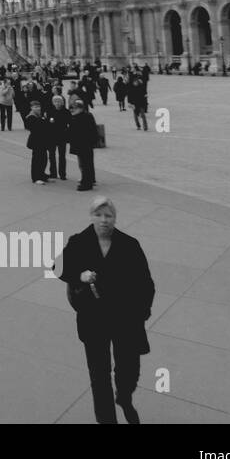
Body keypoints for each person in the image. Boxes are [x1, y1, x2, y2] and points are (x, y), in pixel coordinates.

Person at [55, 197, 155, 424]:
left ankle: (125, 395)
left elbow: (146, 284)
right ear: (91, 217)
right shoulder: (79, 242)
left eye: (108, 216)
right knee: (99, 376)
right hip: (93, 319)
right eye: (98, 215)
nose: (103, 220)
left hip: (124, 319)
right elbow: (58, 267)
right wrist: (78, 275)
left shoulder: (130, 245)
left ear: (115, 219)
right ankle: (107, 420)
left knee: (129, 370)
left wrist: (142, 312)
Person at [68, 99, 99, 191]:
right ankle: (86, 180)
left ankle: (87, 183)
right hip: (81, 144)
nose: (73, 110)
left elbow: (92, 131)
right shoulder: (76, 117)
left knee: (86, 164)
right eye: (72, 108)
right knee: (84, 164)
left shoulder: (84, 117)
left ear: (81, 109)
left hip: (84, 144)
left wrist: (92, 142)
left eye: (75, 108)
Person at [23, 101, 51, 184]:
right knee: (37, 159)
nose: (37, 108)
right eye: (35, 107)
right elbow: (38, 127)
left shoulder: (40, 115)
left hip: (42, 141)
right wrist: (45, 121)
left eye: (38, 107)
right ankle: (35, 177)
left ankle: (42, 175)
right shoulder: (31, 117)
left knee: (44, 159)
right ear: (31, 108)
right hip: (36, 141)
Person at [49, 95, 71, 181]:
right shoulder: (50, 111)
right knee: (51, 155)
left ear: (62, 103)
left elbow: (70, 123)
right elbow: (48, 122)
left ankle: (62, 174)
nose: (57, 103)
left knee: (62, 156)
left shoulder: (66, 111)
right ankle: (53, 173)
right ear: (53, 103)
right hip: (52, 136)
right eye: (55, 101)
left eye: (59, 102)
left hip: (62, 136)